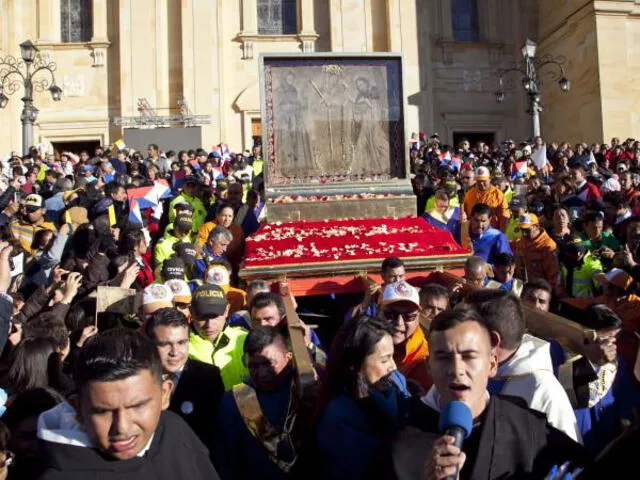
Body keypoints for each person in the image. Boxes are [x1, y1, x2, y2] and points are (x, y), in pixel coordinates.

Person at [391, 307, 589, 480]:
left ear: (492, 364)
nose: (456, 369)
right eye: (443, 357)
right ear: (429, 367)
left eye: (469, 356)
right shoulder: (403, 444)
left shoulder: (531, 430)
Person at [36, 328, 220, 479]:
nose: (122, 428)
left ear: (165, 394)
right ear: (78, 408)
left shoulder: (175, 430)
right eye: (102, 411)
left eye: (138, 406)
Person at [466, 289, 582, 442]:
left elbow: (567, 461)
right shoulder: (468, 371)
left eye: (466, 331)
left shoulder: (542, 389)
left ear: (493, 341)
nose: (457, 337)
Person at [313, 315, 409, 480]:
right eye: (384, 360)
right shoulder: (337, 416)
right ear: (355, 365)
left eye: (392, 357)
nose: (393, 366)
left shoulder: (395, 385)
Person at [214, 326, 305, 479]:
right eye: (254, 366)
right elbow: (226, 461)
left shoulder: (305, 391)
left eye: (269, 364)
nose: (262, 374)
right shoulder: (233, 401)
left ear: (289, 358)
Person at [556, 304, 639, 455]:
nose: (611, 344)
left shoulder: (617, 362)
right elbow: (567, 394)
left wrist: (626, 419)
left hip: (606, 435)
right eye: (606, 337)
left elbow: (626, 395)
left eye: (615, 338)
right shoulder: (565, 354)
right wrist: (592, 362)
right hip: (576, 436)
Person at [144, 308, 224, 455]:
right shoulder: (137, 379)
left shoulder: (208, 377)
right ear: (149, 343)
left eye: (181, 343)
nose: (174, 352)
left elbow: (215, 436)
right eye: (165, 344)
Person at [188, 284, 248, 390]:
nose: (209, 325)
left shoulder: (245, 339)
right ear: (191, 312)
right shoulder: (178, 346)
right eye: (202, 317)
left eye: (215, 316)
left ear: (227, 310)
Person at [511, 213, 559, 287]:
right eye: (522, 229)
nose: (524, 233)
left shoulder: (548, 246)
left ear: (536, 226)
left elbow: (554, 274)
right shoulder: (522, 241)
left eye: (526, 230)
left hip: (539, 289)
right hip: (523, 287)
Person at [462, 166, 509, 231]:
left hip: (492, 233)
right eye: (479, 181)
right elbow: (465, 215)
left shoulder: (498, 195)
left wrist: (501, 235)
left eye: (484, 181)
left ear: (490, 179)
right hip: (474, 233)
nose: (481, 183)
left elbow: (504, 218)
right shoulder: (469, 194)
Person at [558, 234, 603, 298]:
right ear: (566, 252)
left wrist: (602, 285)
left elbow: (597, 274)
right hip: (567, 301)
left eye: (579, 251)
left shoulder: (592, 261)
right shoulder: (562, 261)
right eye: (573, 252)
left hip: (586, 303)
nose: (578, 254)